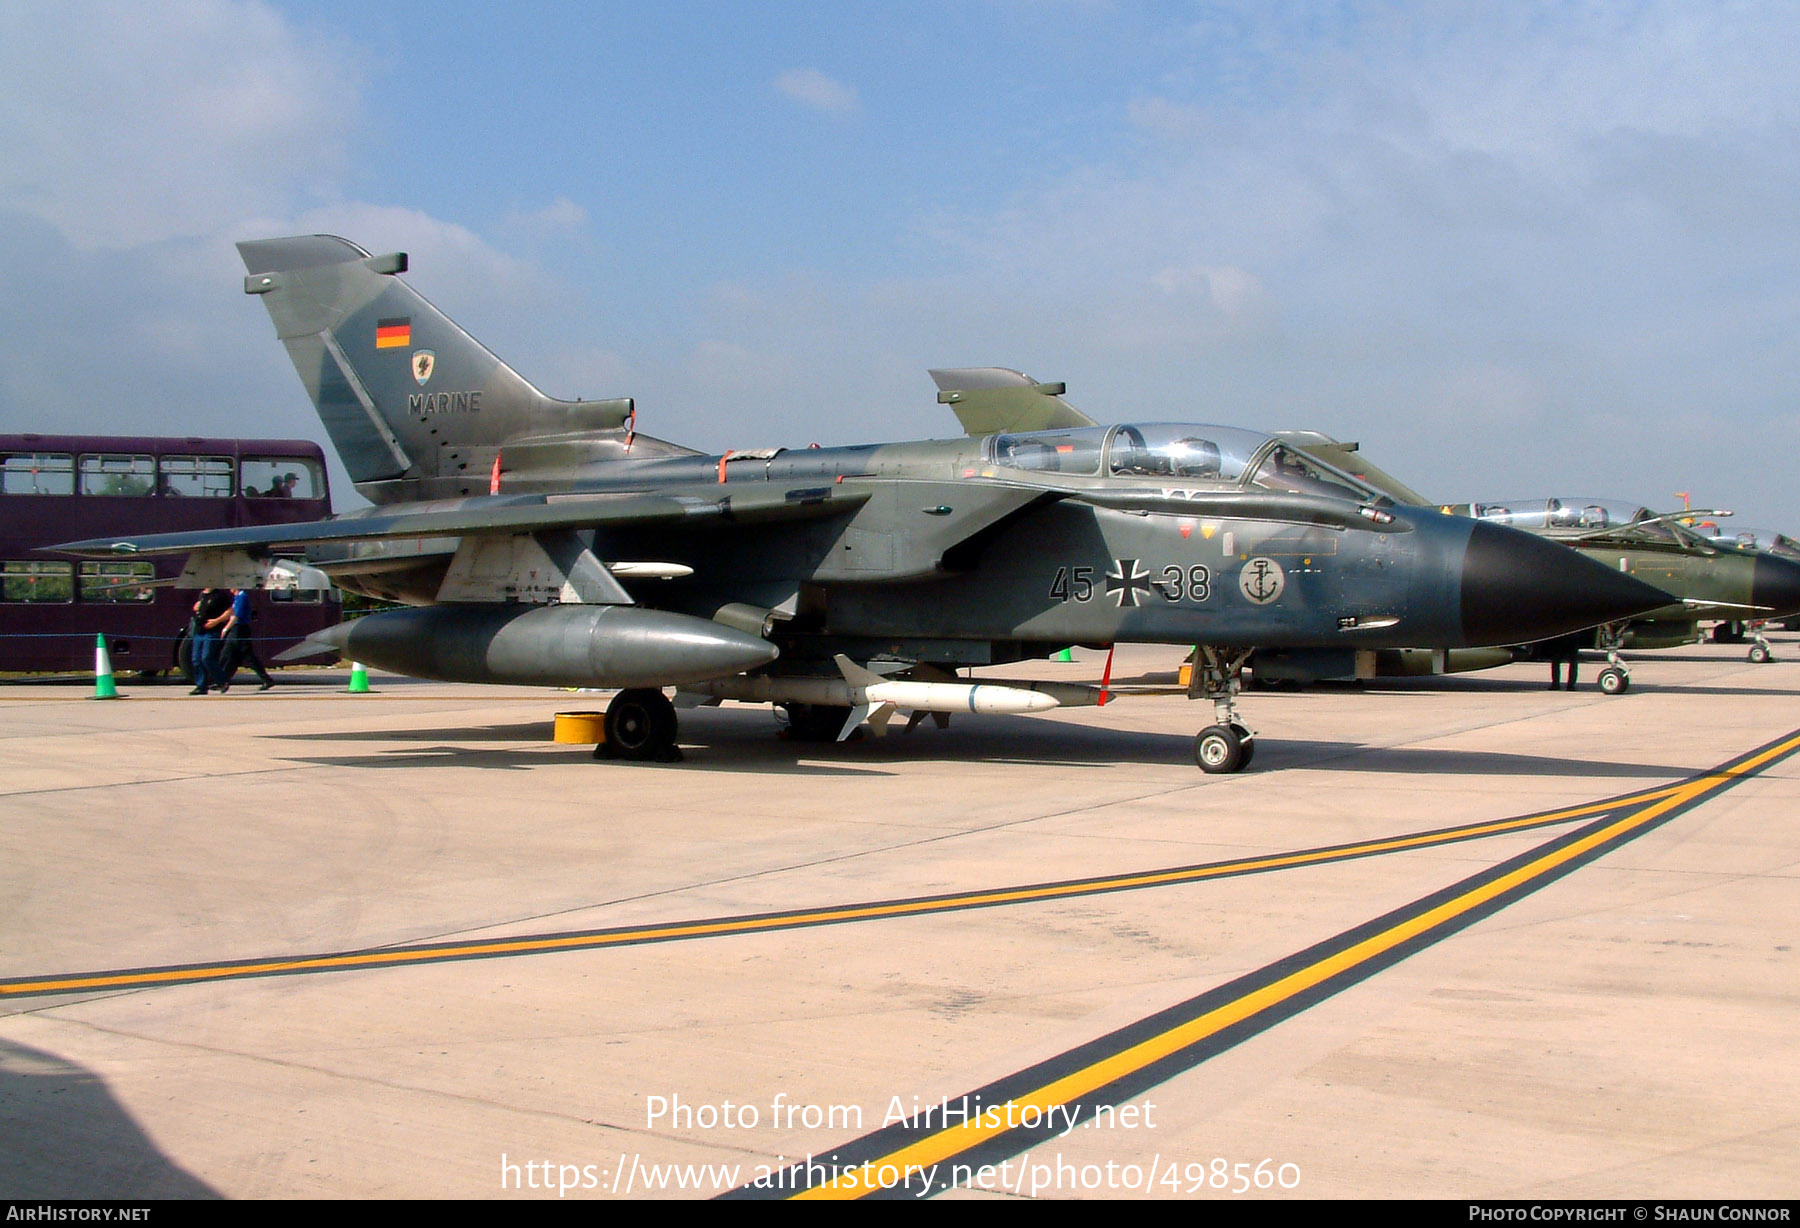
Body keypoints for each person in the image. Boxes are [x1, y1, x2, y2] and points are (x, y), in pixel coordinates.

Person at [219, 586, 274, 691]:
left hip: (240, 630)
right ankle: (222, 681)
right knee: (228, 655)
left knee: (247, 657)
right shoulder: (237, 597)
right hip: (236, 630)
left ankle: (267, 679)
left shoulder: (242, 597)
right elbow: (231, 612)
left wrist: (225, 629)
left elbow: (236, 616)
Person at [189, 587, 234, 694]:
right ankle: (201, 686)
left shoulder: (220, 595)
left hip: (212, 631)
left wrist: (217, 621)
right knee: (196, 659)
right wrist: (196, 607)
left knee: (207, 657)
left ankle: (222, 681)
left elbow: (230, 610)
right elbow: (198, 607)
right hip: (199, 631)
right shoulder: (202, 594)